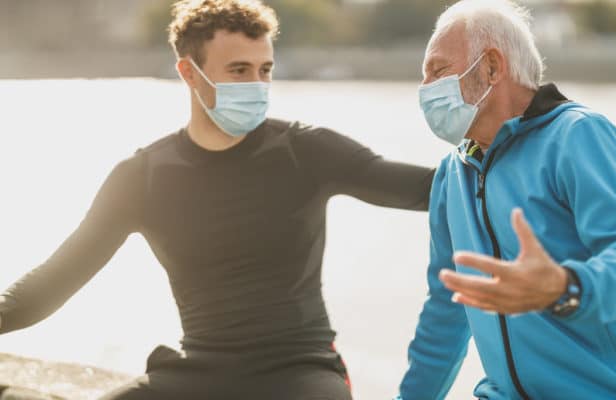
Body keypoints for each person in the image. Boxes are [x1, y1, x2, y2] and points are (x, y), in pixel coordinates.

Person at [0, 1, 434, 399]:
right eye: (239, 70)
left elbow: (425, 189)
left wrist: (497, 154)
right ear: (189, 73)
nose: (257, 84)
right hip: (200, 371)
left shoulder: (305, 150)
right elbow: (54, 281)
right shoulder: (144, 177)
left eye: (265, 70)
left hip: (302, 371)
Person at [397, 1, 616, 399]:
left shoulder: (579, 136)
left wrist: (564, 287)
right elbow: (446, 310)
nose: (425, 89)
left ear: (492, 67)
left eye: (438, 71)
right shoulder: (452, 175)